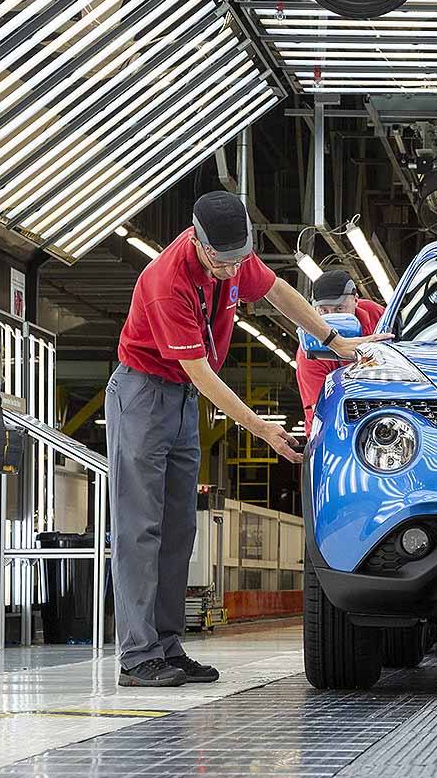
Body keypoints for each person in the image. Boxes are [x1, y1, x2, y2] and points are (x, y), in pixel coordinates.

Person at [107, 193, 388, 687]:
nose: (234, 267)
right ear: (197, 240)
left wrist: (333, 338)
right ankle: (137, 656)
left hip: (178, 399)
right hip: (143, 394)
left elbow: (279, 292)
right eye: (224, 259)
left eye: (241, 257)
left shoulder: (232, 259)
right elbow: (202, 376)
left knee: (178, 529)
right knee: (139, 527)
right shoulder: (165, 283)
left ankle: (169, 647)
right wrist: (261, 429)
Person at [296, 269, 387, 437]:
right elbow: (323, 410)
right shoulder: (309, 352)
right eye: (323, 311)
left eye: (339, 309)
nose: (332, 319)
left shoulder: (376, 315)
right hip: (328, 428)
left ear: (356, 300)